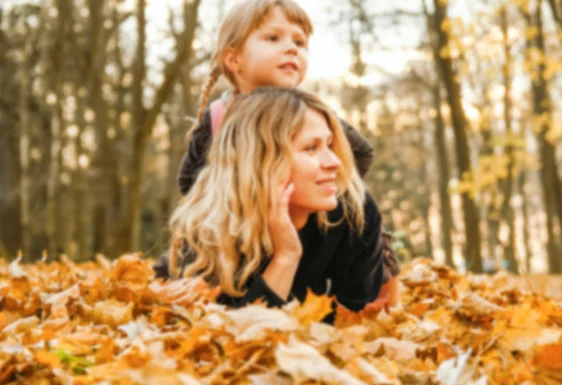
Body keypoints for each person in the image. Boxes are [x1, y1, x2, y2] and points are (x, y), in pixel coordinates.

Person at [176, 0, 400, 305]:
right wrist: (234, 200)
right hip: (242, 217)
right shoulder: (219, 117)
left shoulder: (309, 114)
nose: (291, 48)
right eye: (273, 38)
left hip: (314, 222)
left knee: (368, 230)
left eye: (300, 42)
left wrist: (324, 190)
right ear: (233, 58)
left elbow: (358, 153)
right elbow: (190, 179)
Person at [155, 88, 384, 317]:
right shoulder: (211, 230)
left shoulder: (356, 213)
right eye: (311, 148)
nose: (334, 161)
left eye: (330, 144)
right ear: (262, 162)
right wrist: (286, 256)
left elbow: (355, 328)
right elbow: (234, 343)